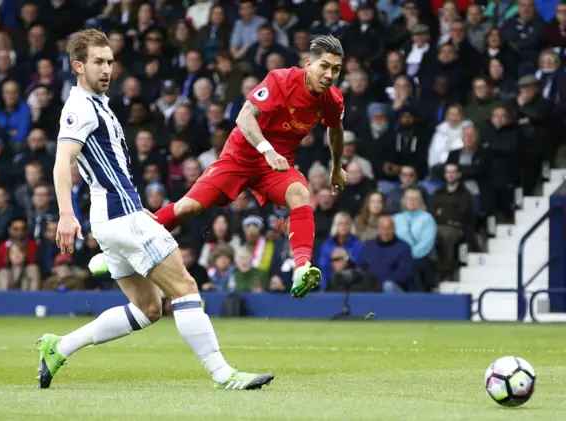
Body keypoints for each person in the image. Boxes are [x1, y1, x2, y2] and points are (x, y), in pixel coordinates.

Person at [36, 29, 273, 391]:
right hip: (119, 219)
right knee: (186, 286)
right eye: (98, 62)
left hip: (117, 217)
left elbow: (108, 171)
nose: (106, 69)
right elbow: (61, 161)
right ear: (78, 66)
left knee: (147, 308)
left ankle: (60, 347)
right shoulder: (79, 108)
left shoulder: (98, 104)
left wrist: (138, 209)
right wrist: (67, 214)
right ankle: (225, 375)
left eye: (110, 62)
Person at [91, 34, 348, 299]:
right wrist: (267, 150)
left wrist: (336, 167)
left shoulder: (332, 99)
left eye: (336, 69)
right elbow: (244, 116)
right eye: (324, 66)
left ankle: (301, 268)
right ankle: (119, 253)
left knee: (301, 193)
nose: (329, 74)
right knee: (187, 207)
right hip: (240, 159)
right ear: (309, 64)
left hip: (274, 168)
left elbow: (335, 131)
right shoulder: (281, 80)